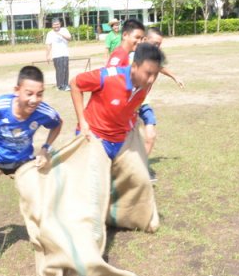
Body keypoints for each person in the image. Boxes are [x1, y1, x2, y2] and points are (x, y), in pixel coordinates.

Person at [70, 42, 164, 160]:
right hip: (93, 136)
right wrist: (82, 121)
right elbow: (75, 83)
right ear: (134, 66)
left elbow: (131, 108)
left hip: (119, 141)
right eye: (148, 73)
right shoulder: (108, 76)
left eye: (155, 74)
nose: (151, 79)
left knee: (132, 175)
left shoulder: (145, 86)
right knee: (96, 176)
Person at [137, 27, 185, 180]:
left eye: (160, 44)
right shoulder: (134, 56)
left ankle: (141, 166)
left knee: (150, 135)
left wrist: (174, 77)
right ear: (144, 40)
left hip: (143, 102)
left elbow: (160, 68)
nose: (158, 47)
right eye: (155, 43)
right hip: (128, 104)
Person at [45, 18, 72, 91]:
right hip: (56, 54)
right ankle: (60, 85)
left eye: (57, 24)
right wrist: (47, 55)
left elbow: (69, 38)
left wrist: (60, 34)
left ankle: (66, 84)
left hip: (65, 53)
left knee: (65, 69)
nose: (56, 26)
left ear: (60, 24)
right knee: (59, 69)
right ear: (52, 25)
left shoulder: (64, 30)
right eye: (54, 25)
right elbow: (48, 45)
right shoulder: (50, 33)